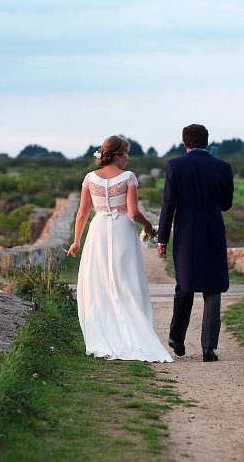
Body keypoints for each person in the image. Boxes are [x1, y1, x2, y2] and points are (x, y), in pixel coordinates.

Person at [67, 135, 173, 363]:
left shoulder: (89, 178)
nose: (128, 157)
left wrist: (76, 241)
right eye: (126, 153)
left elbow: (83, 213)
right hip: (123, 229)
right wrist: (148, 226)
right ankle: (133, 327)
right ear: (116, 154)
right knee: (126, 279)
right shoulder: (128, 177)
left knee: (101, 281)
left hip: (98, 231)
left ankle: (105, 330)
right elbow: (133, 212)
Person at [157, 124, 234, 362]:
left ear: (185, 143)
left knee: (185, 284)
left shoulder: (175, 165)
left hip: (186, 231)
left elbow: (169, 204)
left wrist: (162, 238)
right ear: (207, 142)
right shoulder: (223, 167)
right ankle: (208, 348)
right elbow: (226, 204)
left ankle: (176, 338)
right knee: (213, 287)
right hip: (212, 229)